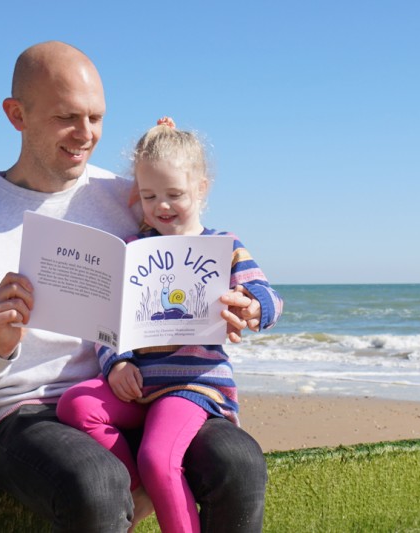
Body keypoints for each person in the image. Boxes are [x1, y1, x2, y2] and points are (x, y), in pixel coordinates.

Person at [0, 41, 268, 532]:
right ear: (16, 114)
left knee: (239, 461)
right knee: (97, 484)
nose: (86, 135)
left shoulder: (127, 197)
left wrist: (237, 304)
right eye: (67, 117)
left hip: (139, 391)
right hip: (22, 411)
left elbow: (192, 242)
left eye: (96, 118)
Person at [57, 117, 284, 533]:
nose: (161, 205)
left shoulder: (224, 246)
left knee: (158, 456)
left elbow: (269, 297)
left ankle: (162, 496)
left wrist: (252, 308)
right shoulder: (132, 249)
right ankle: (140, 490)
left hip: (191, 385)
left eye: (174, 194)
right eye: (149, 195)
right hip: (141, 383)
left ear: (201, 188)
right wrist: (118, 364)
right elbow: (107, 321)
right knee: (76, 404)